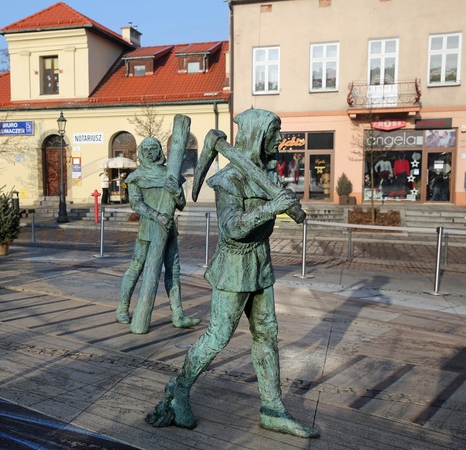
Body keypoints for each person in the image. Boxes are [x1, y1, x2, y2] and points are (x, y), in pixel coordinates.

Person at [146, 109, 320, 438]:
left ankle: (273, 409)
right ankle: (178, 390)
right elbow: (232, 228)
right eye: (274, 132)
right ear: (258, 135)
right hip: (234, 265)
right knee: (218, 337)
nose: (279, 139)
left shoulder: (264, 174)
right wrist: (272, 207)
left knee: (267, 335)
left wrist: (278, 201)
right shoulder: (229, 180)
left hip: (260, 263)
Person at [115, 137, 200, 332]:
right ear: (141, 152)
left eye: (153, 148)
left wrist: (177, 192)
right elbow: (136, 204)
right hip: (147, 231)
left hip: (169, 231)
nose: (150, 152)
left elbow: (181, 204)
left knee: (173, 272)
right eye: (146, 149)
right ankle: (122, 308)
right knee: (136, 268)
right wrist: (157, 216)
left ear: (160, 151)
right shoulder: (136, 177)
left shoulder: (170, 174)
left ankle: (178, 315)